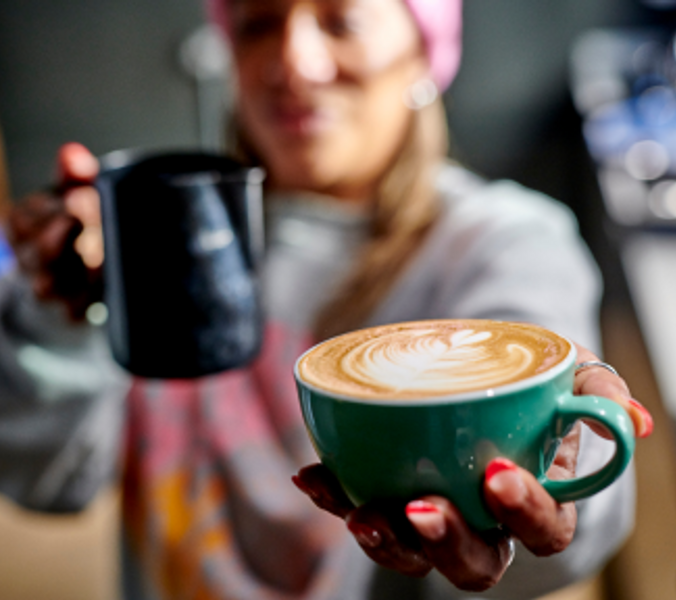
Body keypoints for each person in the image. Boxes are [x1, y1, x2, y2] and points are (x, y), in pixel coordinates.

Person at [1, 0, 654, 599]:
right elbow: (49, 483)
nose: (294, 63)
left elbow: (569, 526)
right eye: (257, 24)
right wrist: (58, 315)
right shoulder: (165, 233)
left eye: (341, 21)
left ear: (425, 53)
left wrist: (562, 459)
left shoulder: (504, 242)